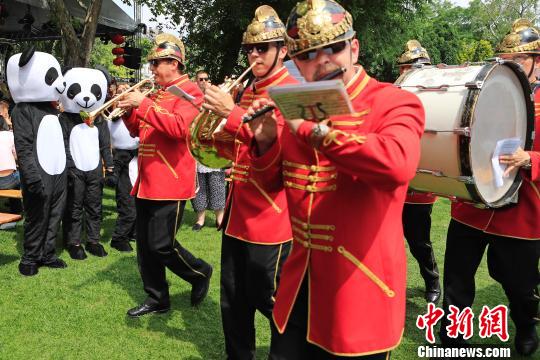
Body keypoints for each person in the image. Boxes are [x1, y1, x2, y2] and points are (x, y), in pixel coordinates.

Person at [245, 1, 425, 358]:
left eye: (334, 48)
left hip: (359, 290)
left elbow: (396, 165)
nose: (323, 60)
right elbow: (271, 188)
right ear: (297, 63)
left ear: (353, 47)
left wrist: (315, 133)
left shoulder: (394, 102)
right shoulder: (296, 105)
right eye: (309, 54)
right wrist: (265, 142)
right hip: (299, 289)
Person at [439, 19, 539, 357]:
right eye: (504, 56)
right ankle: (453, 340)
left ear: (537, 61)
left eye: (519, 58)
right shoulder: (487, 89)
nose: (510, 62)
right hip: (472, 205)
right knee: (456, 279)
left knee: (519, 285)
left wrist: (530, 159)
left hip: (521, 214)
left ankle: (526, 324)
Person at [201, 5, 295, 359]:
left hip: (271, 217)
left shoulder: (290, 91)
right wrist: (212, 131)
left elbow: (278, 146)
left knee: (271, 301)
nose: (254, 55)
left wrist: (230, 114)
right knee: (234, 299)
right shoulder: (249, 90)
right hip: (239, 211)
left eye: (263, 48)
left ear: (282, 51)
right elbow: (242, 144)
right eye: (250, 49)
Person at [117, 33, 213, 317]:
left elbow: (179, 129)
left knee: (161, 244)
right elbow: (138, 131)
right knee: (146, 247)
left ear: (174, 62)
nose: (152, 69)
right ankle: (157, 298)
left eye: (157, 63)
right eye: (152, 64)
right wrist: (127, 110)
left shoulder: (191, 92)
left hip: (170, 180)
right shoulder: (157, 93)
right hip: (147, 179)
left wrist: (143, 105)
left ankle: (199, 272)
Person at [8, 49, 69, 276]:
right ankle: (30, 257)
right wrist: (31, 176)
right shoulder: (23, 111)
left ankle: (48, 253)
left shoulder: (51, 110)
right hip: (38, 173)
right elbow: (23, 147)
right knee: (37, 215)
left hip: (58, 170)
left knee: (55, 213)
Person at [396, 40, 441, 304]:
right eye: (406, 68)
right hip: (393, 184)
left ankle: (432, 279)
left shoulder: (438, 97)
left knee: (418, 241)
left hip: (419, 184)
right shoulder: (393, 94)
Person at [191, 69, 226, 231]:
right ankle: (200, 220)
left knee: (217, 185)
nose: (203, 82)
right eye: (200, 79)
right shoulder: (192, 101)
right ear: (196, 81)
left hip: (213, 149)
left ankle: (220, 219)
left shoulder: (216, 99)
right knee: (199, 188)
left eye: (206, 79)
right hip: (197, 150)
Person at [107, 80, 138, 252]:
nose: (125, 93)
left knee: (139, 201)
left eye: (128, 90)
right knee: (126, 202)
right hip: (121, 159)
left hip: (139, 157)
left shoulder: (138, 111)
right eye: (121, 90)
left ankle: (132, 232)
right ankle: (119, 238)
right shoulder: (111, 115)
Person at [0, 114, 22, 214]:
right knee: (21, 174)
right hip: (10, 180)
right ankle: (16, 209)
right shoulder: (9, 135)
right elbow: (18, 156)